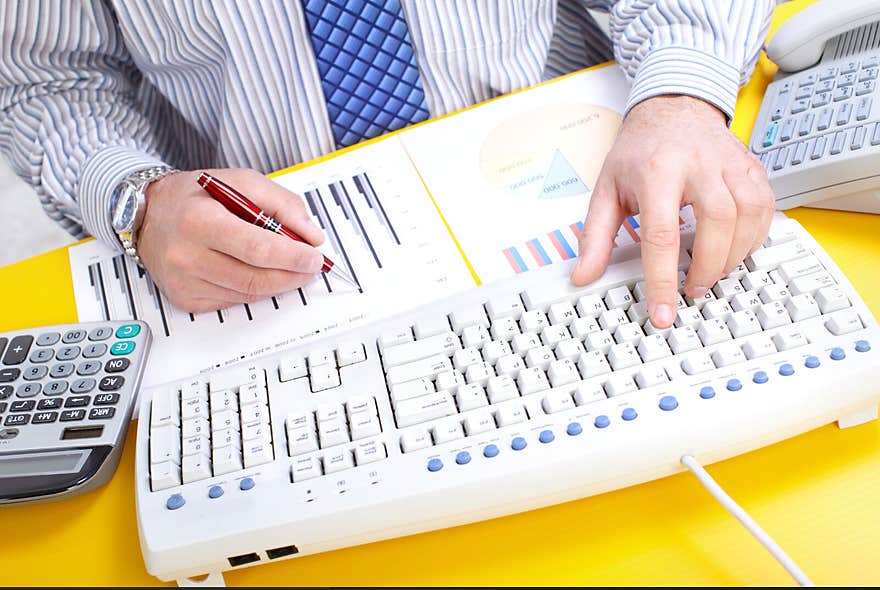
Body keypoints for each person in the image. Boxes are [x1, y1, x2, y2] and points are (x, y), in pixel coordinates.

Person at [0, 0, 776, 328]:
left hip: (570, 188)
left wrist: (680, 91)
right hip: (263, 261)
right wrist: (135, 198)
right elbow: (46, 79)